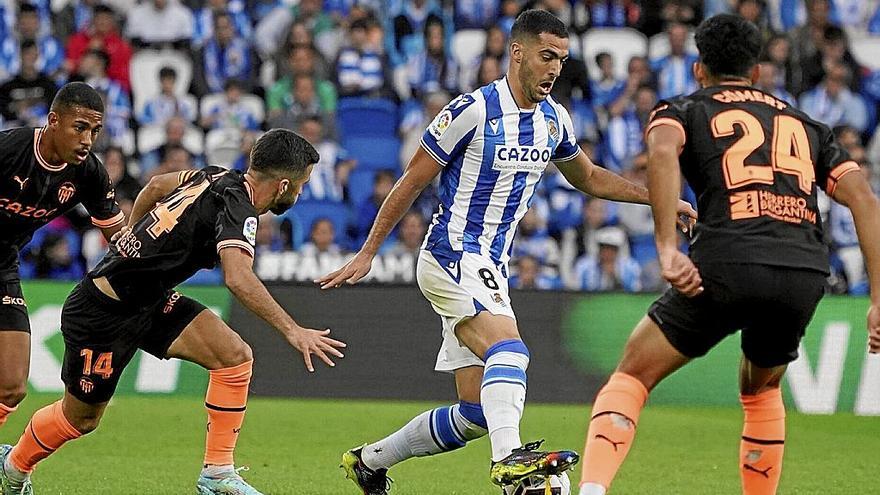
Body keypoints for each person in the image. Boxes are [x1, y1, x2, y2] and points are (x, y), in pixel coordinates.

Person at [319, 9, 696, 494]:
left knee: (477, 411)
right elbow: (411, 182)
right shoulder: (471, 112)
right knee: (510, 350)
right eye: (546, 56)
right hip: (452, 253)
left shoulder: (554, 119)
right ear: (517, 53)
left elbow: (589, 178)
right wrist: (368, 251)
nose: (555, 68)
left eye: (561, 58)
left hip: (489, 265)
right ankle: (510, 464)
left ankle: (370, 462)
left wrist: (659, 198)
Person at [577, 14, 880, 495]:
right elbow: (864, 198)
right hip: (801, 271)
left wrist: (667, 248)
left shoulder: (683, 109)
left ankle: (591, 489)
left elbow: (660, 150)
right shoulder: (807, 125)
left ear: (700, 69)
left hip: (726, 263)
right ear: (757, 71)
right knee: (760, 391)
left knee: (631, 375)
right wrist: (879, 301)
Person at [0, 129, 346, 495]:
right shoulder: (239, 209)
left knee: (234, 357)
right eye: (302, 184)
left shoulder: (213, 174)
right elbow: (238, 279)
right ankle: (13, 468)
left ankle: (217, 472)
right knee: (81, 419)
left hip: (148, 299)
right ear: (282, 186)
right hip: (102, 311)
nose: (301, 192)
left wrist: (132, 241)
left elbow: (154, 186)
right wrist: (293, 330)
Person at [0, 82, 125, 438]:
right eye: (80, 127)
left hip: (3, 266)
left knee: (11, 385)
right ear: (54, 120)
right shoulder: (10, 150)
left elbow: (122, 239)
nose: (88, 139)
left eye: (95, 131)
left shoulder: (88, 174)